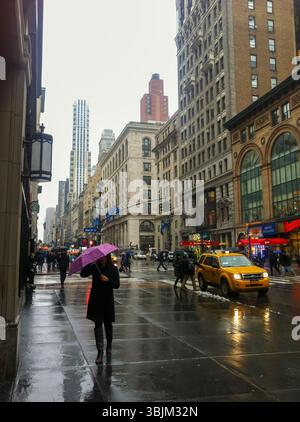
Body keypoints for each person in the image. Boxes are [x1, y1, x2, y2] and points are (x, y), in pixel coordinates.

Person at [80, 254, 120, 365]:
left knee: (108, 324)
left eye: (103, 257)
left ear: (107, 257)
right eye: (99, 257)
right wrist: (89, 263)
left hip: (107, 300)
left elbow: (116, 285)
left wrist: (107, 280)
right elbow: (83, 274)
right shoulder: (94, 267)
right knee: (98, 325)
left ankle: (109, 346)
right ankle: (100, 352)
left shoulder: (113, 269)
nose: (101, 259)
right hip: (96, 299)